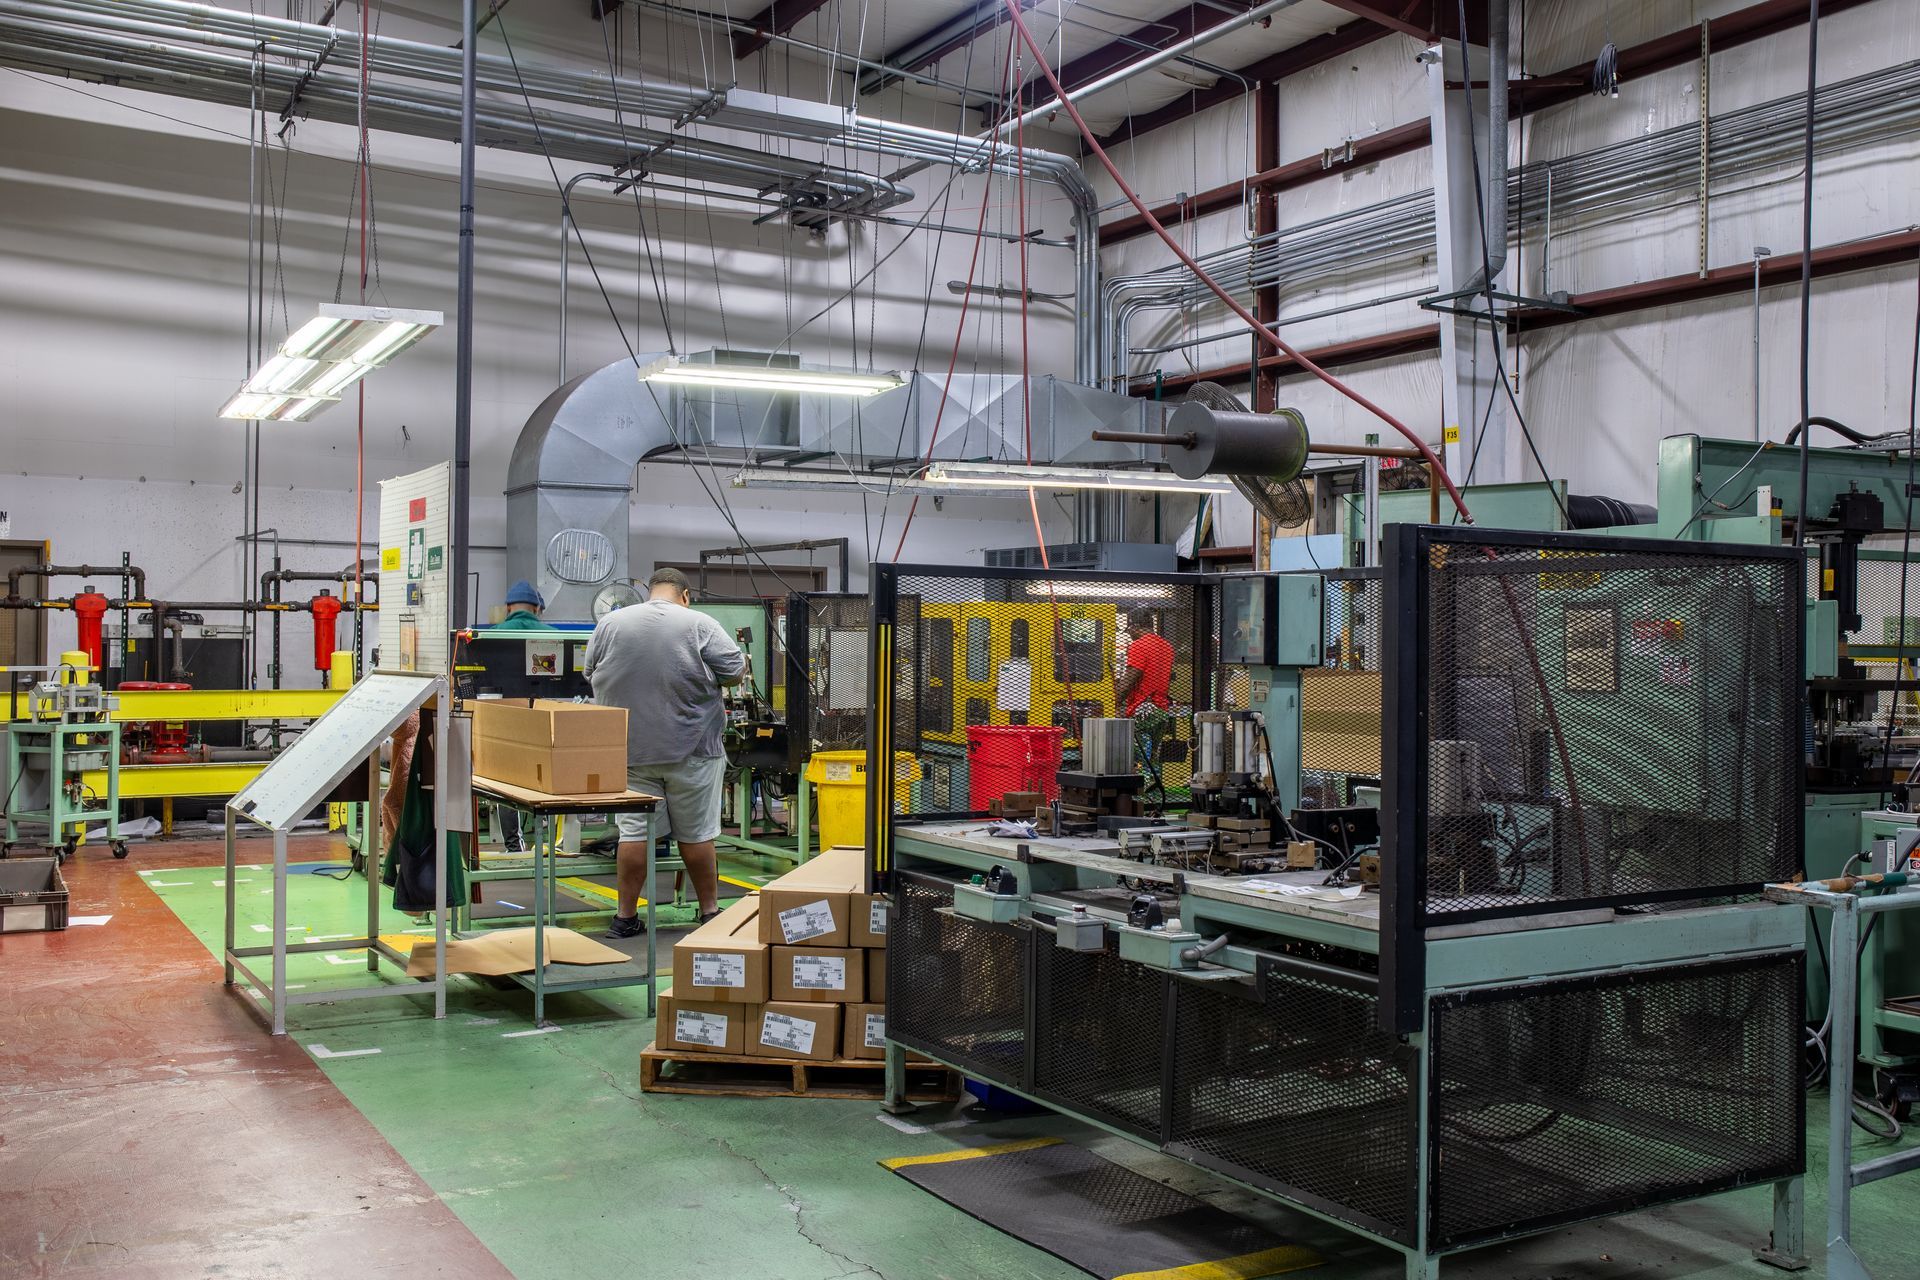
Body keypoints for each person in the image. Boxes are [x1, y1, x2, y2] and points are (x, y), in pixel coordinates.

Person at [582, 567, 744, 936]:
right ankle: (708, 912)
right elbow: (735, 670)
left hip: (631, 749)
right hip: (694, 749)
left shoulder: (610, 623)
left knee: (634, 833)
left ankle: (624, 918)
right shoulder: (699, 623)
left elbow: (590, 673)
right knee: (697, 834)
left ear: (650, 591)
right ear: (685, 595)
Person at [484, 580, 549, 851]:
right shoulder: (551, 634)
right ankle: (544, 845)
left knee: (506, 784)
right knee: (545, 780)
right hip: (542, 720)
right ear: (536, 608)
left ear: (509, 607)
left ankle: (514, 845)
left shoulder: (494, 634)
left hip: (504, 720)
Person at [1118, 608, 1174, 716]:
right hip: (1160, 710)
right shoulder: (1167, 646)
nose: (1129, 634)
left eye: (1129, 630)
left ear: (1135, 627)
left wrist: (1113, 702)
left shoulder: (1138, 646)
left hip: (1142, 710)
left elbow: (1130, 679)